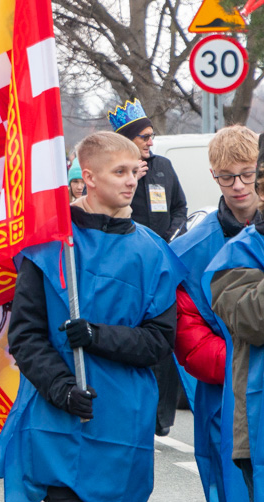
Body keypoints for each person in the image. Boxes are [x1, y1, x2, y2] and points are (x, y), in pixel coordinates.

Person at [0, 132, 185, 502]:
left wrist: (96, 335)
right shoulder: (49, 249)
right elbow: (26, 336)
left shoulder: (154, 253)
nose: (132, 181)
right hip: (59, 417)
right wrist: (61, 389)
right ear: (88, 177)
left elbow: (158, 341)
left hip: (123, 418)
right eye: (120, 172)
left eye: (135, 171)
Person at [171, 125, 262, 502]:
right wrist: (249, 366)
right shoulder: (189, 250)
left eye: (247, 174)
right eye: (228, 177)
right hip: (227, 400)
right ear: (214, 175)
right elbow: (188, 337)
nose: (239, 186)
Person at [109, 98, 188, 437]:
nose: (150, 142)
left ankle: (162, 417)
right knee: (134, 336)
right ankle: (135, 412)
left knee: (164, 336)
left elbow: (180, 206)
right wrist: (133, 177)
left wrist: (172, 231)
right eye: (144, 137)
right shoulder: (120, 172)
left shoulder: (164, 167)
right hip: (128, 265)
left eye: (151, 136)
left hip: (162, 259)